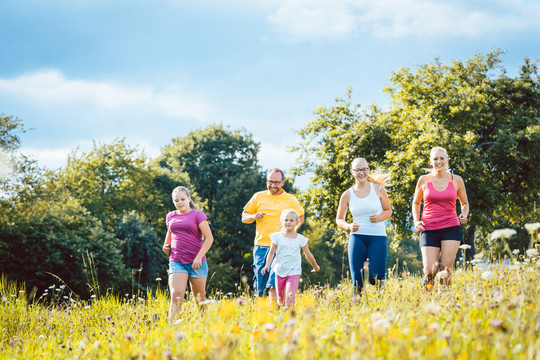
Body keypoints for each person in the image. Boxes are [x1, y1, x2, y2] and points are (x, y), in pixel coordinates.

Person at [411, 146, 469, 289]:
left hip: (451, 227)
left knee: (445, 270)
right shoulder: (423, 180)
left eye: (442, 158)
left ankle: (444, 301)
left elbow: (465, 203)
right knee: (429, 271)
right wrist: (416, 220)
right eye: (435, 159)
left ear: (447, 160)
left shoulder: (457, 180)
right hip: (428, 228)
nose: (439, 161)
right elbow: (416, 203)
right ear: (430, 161)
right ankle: (426, 299)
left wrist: (464, 214)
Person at [242, 168, 304, 300]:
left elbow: (301, 218)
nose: (273, 185)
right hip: (261, 246)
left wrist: (290, 234)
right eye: (270, 182)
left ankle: (276, 313)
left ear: (283, 182)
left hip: (281, 247)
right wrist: (253, 216)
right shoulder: (258, 197)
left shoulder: (290, 200)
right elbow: (244, 217)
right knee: (261, 284)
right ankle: (264, 314)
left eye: (276, 182)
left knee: (274, 282)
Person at [336, 158, 392, 299]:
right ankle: (357, 308)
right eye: (357, 170)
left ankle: (381, 303)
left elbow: (388, 211)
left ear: (368, 170)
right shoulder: (347, 194)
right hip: (357, 236)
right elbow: (339, 219)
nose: (361, 173)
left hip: (378, 237)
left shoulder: (378, 189)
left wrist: (380, 218)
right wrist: (348, 226)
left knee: (376, 277)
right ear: (352, 172)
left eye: (364, 169)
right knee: (357, 280)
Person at [163, 186, 214, 323]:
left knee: (199, 299)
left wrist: (198, 257)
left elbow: (209, 238)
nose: (180, 203)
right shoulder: (170, 216)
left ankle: (205, 324)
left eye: (182, 199)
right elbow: (170, 232)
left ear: (189, 199)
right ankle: (172, 328)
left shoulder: (198, 215)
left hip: (196, 263)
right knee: (176, 294)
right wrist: (166, 245)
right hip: (176, 261)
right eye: (176, 200)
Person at [261, 209, 319, 308]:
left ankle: (291, 318)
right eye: (286, 220)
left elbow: (308, 255)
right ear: (282, 221)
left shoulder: (300, 239)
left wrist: (315, 266)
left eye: (291, 220)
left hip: (294, 272)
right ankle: (283, 319)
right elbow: (271, 253)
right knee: (280, 300)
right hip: (279, 271)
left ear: (297, 223)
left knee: (289, 297)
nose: (288, 222)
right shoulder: (277, 237)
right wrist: (267, 265)